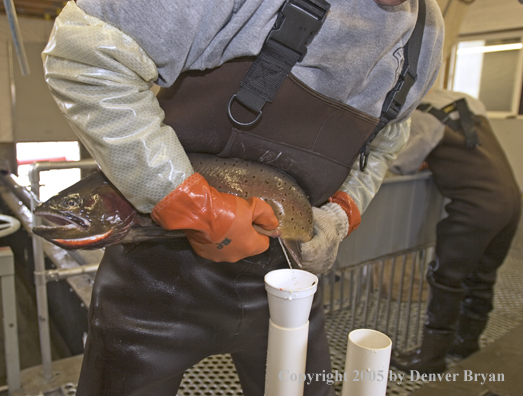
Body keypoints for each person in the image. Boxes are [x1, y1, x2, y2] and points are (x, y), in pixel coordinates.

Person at [41, 0, 444, 394]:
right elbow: (84, 54)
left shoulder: (427, 32)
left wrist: (341, 212)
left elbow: (385, 143)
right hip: (153, 288)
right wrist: (184, 201)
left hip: (290, 287)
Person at [389, 89, 521, 373]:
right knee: (482, 277)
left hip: (475, 209)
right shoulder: (471, 107)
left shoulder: (424, 118)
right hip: (512, 201)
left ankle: (431, 358)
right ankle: (466, 343)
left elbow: (400, 163)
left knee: (446, 279)